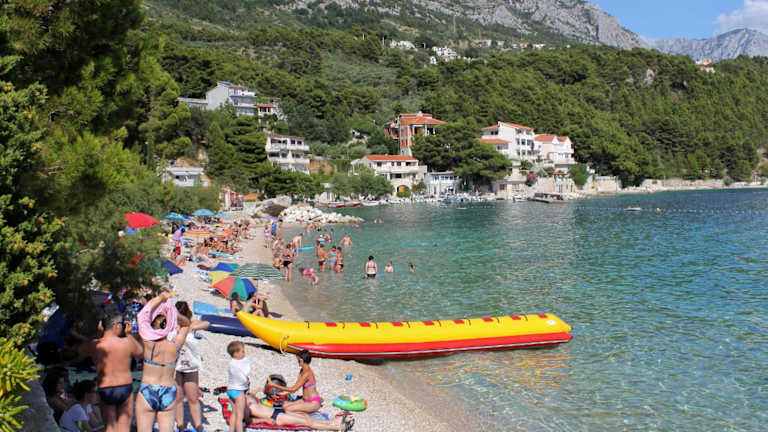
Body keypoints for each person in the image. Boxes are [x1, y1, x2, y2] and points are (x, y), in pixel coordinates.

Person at [135, 291, 191, 432]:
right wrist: (173, 314)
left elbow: (142, 316)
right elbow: (186, 325)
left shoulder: (149, 343)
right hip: (168, 389)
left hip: (149, 388)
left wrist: (160, 298)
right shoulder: (175, 345)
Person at [78, 312, 143, 432]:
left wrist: (98, 334)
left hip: (106, 387)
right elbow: (140, 352)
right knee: (124, 427)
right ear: (116, 326)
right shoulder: (126, 342)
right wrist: (129, 335)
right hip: (124, 385)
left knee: (110, 426)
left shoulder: (96, 345)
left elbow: (81, 351)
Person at [173, 302, 210, 432]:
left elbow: (207, 324)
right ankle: (181, 426)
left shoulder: (191, 325)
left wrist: (190, 325)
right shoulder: (172, 326)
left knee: (191, 398)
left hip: (189, 366)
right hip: (176, 365)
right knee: (180, 398)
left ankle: (196, 426)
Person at [245, 395, 353, 431]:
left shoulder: (246, 396)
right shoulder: (241, 403)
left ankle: (332, 422)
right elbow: (248, 420)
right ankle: (338, 427)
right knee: (308, 422)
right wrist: (264, 420)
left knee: (306, 417)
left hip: (277, 412)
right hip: (276, 417)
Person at [227, 341, 250, 432]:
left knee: (233, 413)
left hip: (230, 390)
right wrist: (247, 383)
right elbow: (243, 377)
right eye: (242, 351)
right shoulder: (238, 365)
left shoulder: (231, 362)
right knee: (240, 417)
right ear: (236, 353)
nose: (244, 353)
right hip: (239, 391)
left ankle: (231, 430)